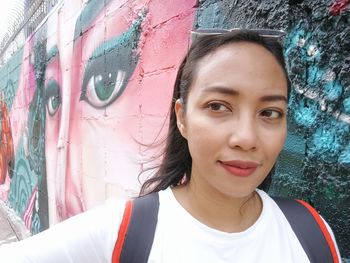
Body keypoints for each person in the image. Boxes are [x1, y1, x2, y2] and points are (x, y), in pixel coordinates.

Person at [0, 30, 341, 262]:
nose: (247, 138)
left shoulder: (311, 232)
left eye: (269, 112)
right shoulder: (123, 231)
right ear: (182, 117)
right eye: (218, 107)